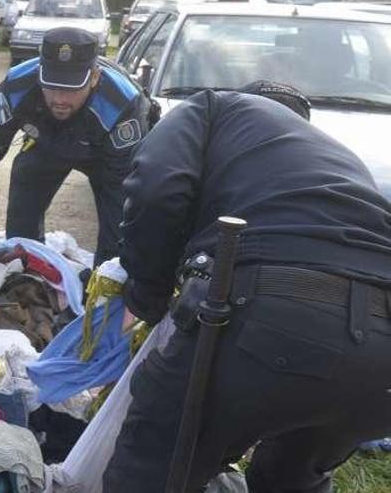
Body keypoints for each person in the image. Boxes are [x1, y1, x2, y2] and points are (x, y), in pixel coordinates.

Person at [104, 81, 391, 492]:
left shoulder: (209, 107)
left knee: (153, 462)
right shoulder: (340, 159)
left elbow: (156, 188)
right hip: (381, 362)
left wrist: (147, 293)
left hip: (269, 315)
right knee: (289, 480)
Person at [0, 27, 153, 265]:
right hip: (47, 143)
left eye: (71, 89)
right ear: (39, 73)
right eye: (52, 85)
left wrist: (110, 268)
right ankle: (26, 267)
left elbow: (122, 194)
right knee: (23, 196)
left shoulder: (122, 103)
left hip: (104, 156)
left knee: (115, 245)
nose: (59, 99)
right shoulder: (17, 86)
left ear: (95, 78)